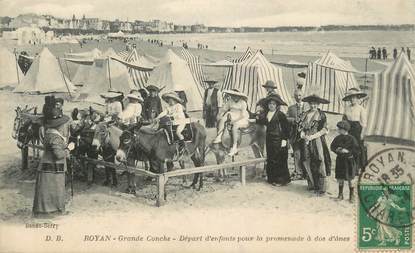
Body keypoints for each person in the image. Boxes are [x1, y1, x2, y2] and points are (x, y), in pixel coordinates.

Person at [33, 102, 73, 217]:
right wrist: (69, 149)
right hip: (53, 168)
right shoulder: (55, 137)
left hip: (47, 167)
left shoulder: (48, 133)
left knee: (46, 191)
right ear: (58, 125)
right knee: (55, 189)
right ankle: (54, 211)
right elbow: (59, 154)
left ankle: (45, 211)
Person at [299, 93, 331, 195]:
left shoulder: (321, 115)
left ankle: (321, 188)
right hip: (305, 140)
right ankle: (311, 184)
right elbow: (301, 127)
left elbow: (325, 129)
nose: (313, 106)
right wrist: (302, 134)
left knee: (319, 160)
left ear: (318, 104)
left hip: (316, 139)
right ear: (309, 104)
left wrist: (312, 136)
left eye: (315, 104)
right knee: (306, 160)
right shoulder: (305, 114)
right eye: (312, 104)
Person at [257, 94, 290, 185]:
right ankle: (271, 178)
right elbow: (261, 121)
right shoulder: (266, 114)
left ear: (277, 105)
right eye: (270, 104)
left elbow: (286, 128)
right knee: (271, 158)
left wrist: (284, 139)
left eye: (273, 104)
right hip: (269, 139)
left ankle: (281, 180)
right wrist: (257, 116)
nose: (271, 105)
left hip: (278, 140)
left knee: (279, 159)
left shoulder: (280, 115)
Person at [330, 120, 360, 202]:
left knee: (350, 179)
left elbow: (357, 151)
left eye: (339, 129)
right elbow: (332, 147)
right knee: (340, 178)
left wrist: (348, 152)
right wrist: (338, 149)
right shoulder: (337, 138)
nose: (338, 130)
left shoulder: (352, 139)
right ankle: (340, 195)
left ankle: (351, 196)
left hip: (349, 161)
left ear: (344, 129)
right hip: (340, 161)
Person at [213, 89, 250, 156]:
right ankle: (219, 136)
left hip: (241, 117)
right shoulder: (230, 101)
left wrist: (234, 121)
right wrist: (219, 114)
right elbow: (224, 109)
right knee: (222, 119)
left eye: (236, 96)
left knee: (235, 126)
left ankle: (234, 146)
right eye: (233, 96)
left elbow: (242, 115)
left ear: (239, 96)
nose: (234, 97)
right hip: (232, 114)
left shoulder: (243, 103)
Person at [342, 88, 368, 172]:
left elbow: (364, 123)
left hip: (357, 129)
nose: (353, 99)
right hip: (349, 129)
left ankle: (359, 166)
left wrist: (362, 134)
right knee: (350, 147)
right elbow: (344, 119)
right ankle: (351, 166)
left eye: (354, 97)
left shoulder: (361, 109)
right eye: (351, 98)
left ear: (357, 98)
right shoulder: (347, 108)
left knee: (358, 148)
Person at [286, 89, 310, 179]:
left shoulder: (308, 107)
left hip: (305, 134)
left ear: (302, 96)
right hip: (294, 134)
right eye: (296, 96)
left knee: (305, 153)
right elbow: (286, 117)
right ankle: (298, 172)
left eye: (299, 95)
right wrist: (292, 120)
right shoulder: (291, 108)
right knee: (296, 153)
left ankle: (306, 173)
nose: (298, 97)